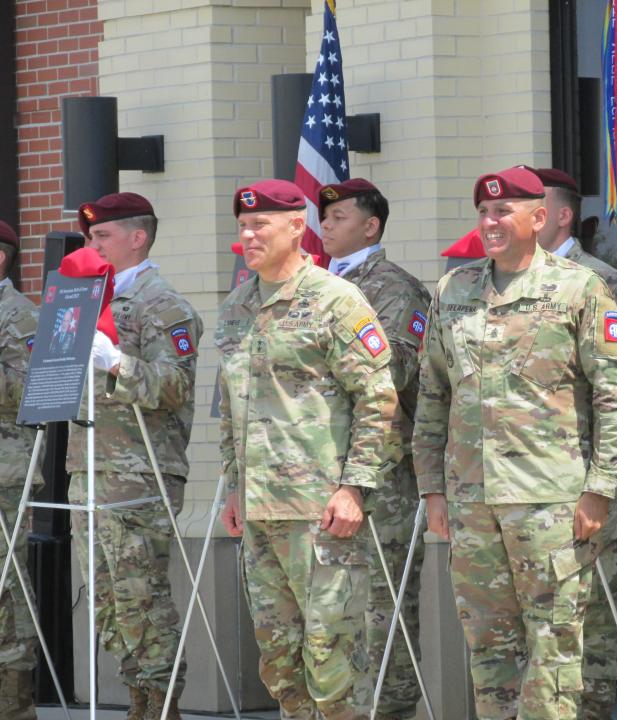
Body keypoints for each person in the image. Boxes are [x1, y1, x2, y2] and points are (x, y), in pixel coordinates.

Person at [413, 166, 617, 719]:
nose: (491, 223)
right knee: (489, 649)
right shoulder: (453, 290)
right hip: (473, 505)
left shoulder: (579, 288)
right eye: (484, 213)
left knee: (554, 650)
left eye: (503, 212)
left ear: (539, 218)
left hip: (552, 506)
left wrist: (600, 490)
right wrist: (432, 490)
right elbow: (432, 397)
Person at [216, 179, 402, 720]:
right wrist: (233, 486)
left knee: (332, 656)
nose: (249, 235)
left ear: (297, 227)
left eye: (260, 225)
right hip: (259, 510)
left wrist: (354, 487)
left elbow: (377, 397)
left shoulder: (335, 300)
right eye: (244, 226)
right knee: (279, 660)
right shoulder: (237, 307)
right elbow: (233, 409)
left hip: (321, 513)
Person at [69, 193, 203, 720]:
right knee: (105, 600)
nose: (91, 245)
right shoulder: (90, 300)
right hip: (90, 465)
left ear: (137, 238)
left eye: (101, 236)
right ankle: (136, 697)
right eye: (89, 237)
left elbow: (174, 387)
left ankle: (158, 704)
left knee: (140, 596)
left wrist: (117, 362)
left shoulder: (163, 305)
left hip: (139, 471)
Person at [530, 166, 617, 719]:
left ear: (561, 215)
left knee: (592, 627)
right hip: (526, 491)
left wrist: (601, 482)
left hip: (586, 487)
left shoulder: (600, 280)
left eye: (534, 203)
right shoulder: (505, 281)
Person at [318, 178, 430, 720]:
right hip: (316, 472)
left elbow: (395, 370)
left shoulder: (395, 288)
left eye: (339, 217)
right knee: (326, 611)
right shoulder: (310, 286)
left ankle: (390, 711)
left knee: (381, 610)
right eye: (324, 216)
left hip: (380, 476)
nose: (326, 226)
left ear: (371, 225)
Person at [0, 221, 40, 720]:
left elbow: (30, 393)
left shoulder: (22, 316)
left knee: (6, 594)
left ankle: (14, 707)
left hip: (6, 473)